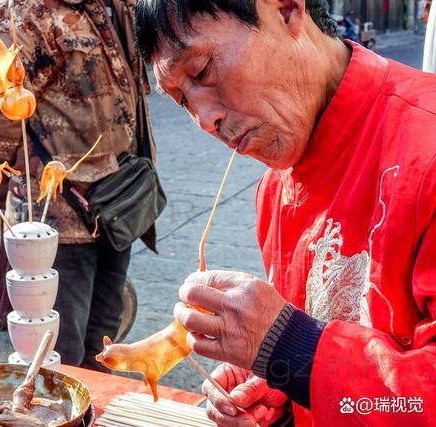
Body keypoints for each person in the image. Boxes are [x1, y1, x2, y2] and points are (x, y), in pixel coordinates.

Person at [135, 0, 436, 425]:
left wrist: (294, 349)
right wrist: (280, 391)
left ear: (288, 10)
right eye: (183, 99)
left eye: (202, 71)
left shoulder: (428, 145)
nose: (205, 120)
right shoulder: (275, 189)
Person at [0, 0, 156, 370]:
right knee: (56, 354)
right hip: (57, 218)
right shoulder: (25, 10)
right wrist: (27, 172)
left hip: (117, 205)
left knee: (103, 340)